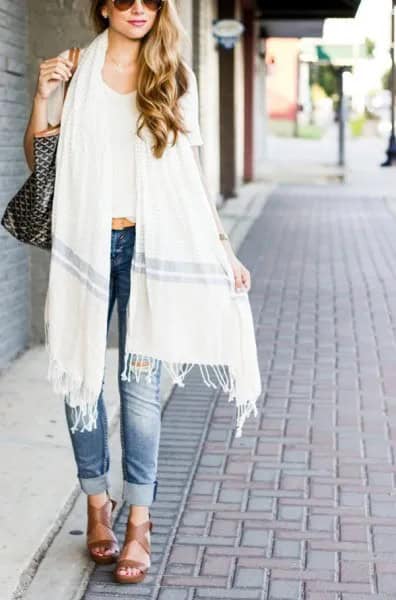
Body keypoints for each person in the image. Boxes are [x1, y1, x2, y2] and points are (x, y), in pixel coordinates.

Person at [23, 0, 252, 586]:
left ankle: (139, 522)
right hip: (89, 249)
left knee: (141, 388)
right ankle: (98, 504)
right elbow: (41, 164)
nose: (138, 9)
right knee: (82, 378)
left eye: (151, 0)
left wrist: (223, 247)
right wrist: (43, 98)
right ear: (104, 7)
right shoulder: (76, 67)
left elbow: (189, 175)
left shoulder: (174, 75)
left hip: (152, 249)